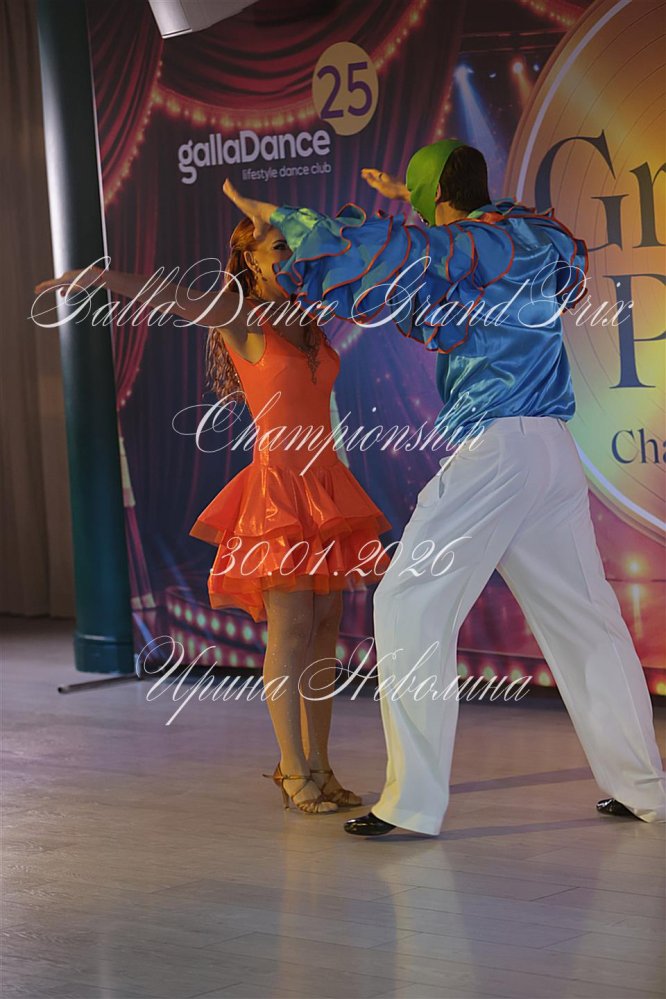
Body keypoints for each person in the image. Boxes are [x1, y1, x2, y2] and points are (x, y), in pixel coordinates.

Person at [222, 139, 666, 836]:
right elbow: (446, 267)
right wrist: (417, 199)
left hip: (500, 450)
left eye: (423, 201)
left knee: (407, 601)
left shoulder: (464, 246)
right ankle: (644, 788)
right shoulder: (530, 238)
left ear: (437, 200)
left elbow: (400, 253)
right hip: (552, 450)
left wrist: (286, 218)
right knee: (587, 620)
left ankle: (412, 803)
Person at [34, 219, 392, 817]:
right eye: (279, 247)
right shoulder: (240, 316)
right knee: (292, 629)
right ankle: (293, 769)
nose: (291, 255)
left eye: (294, 246)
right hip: (278, 493)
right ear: (250, 260)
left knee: (325, 628)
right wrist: (100, 278)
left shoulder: (309, 312)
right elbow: (172, 296)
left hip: (326, 483)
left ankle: (320, 767)